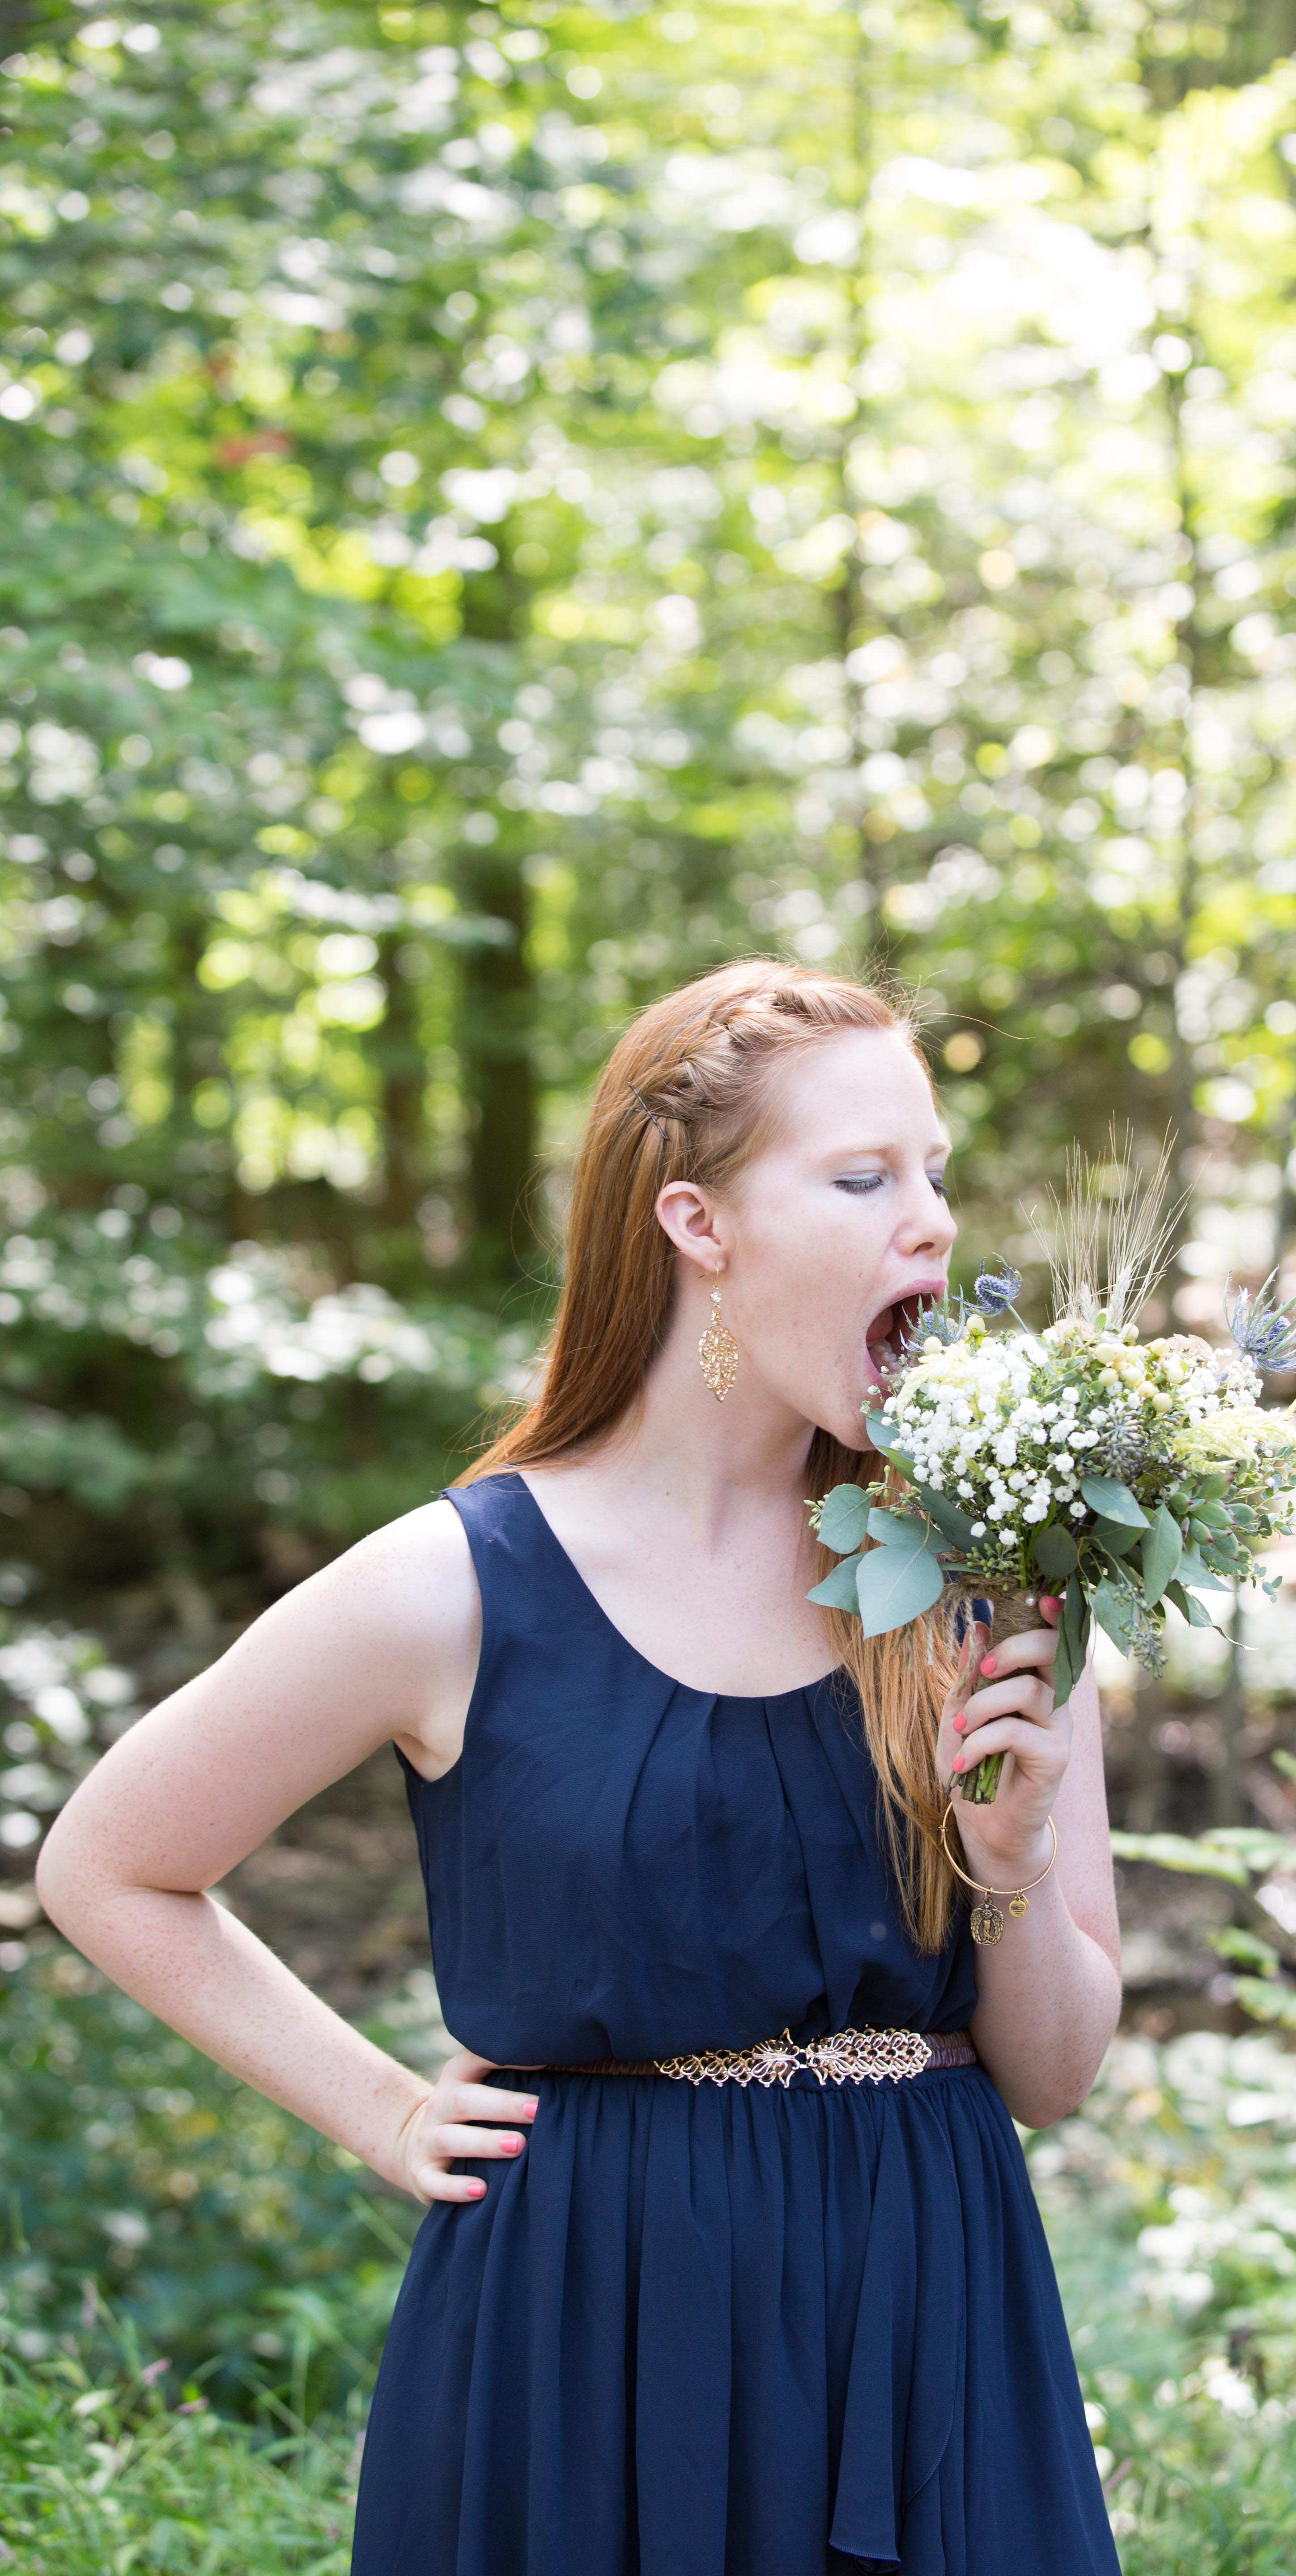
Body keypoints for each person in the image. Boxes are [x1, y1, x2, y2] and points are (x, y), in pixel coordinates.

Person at [37, 959, 1124, 2576]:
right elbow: (110, 1866)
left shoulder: (995, 1580)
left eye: (936, 1174)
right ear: (699, 1224)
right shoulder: (455, 1585)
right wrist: (384, 2110)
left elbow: (1052, 2078)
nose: (934, 1226)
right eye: (863, 1179)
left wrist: (1012, 1864)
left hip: (931, 2328)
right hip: (592, 2344)